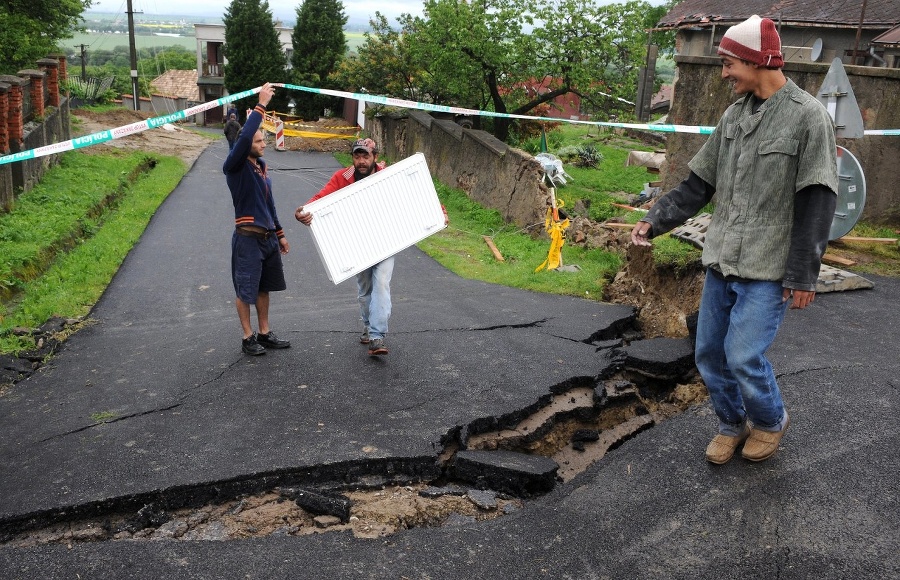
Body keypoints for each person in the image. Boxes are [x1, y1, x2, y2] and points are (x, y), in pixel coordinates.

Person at [630, 15, 838, 464]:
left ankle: (768, 421)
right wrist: (654, 220)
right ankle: (730, 423)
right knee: (708, 353)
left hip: (769, 266)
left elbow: (818, 200)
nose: (723, 73)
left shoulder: (808, 118)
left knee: (743, 356)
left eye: (728, 64)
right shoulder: (733, 116)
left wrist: (804, 274)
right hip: (722, 257)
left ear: (756, 60)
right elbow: (698, 183)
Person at [295, 138, 448, 357]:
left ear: (375, 157)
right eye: (357, 156)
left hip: (385, 241)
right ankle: (368, 325)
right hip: (357, 244)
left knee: (382, 283)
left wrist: (439, 211)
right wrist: (303, 211)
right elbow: (320, 199)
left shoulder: (387, 175)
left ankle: (377, 336)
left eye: (365, 156)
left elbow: (417, 191)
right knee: (365, 289)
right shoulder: (342, 178)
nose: (361, 161)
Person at [223, 82, 292, 356]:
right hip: (247, 239)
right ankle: (247, 336)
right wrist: (261, 105)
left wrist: (280, 233)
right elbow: (244, 137)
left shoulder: (261, 169)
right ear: (245, 145)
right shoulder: (235, 166)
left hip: (267, 240)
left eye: (264, 140)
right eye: (259, 141)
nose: (264, 144)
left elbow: (269, 205)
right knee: (246, 289)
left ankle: (263, 333)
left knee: (264, 288)